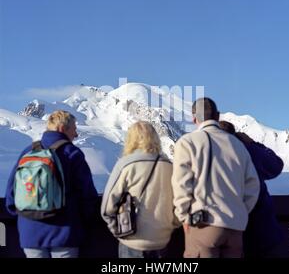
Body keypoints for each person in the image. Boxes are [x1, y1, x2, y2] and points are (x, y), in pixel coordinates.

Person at [172, 97, 260, 258]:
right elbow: (253, 185)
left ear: (194, 118)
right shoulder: (237, 145)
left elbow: (181, 185)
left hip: (203, 224)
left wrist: (184, 217)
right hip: (235, 228)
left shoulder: (187, 143)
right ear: (217, 116)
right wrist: (239, 211)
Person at [5, 110, 98, 258]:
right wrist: (81, 221)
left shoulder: (28, 152)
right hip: (64, 231)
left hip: (30, 232)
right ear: (62, 129)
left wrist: (25, 217)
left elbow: (11, 193)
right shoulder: (72, 153)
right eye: (74, 129)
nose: (76, 134)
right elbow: (87, 195)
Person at [101, 121, 180, 258]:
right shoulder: (169, 166)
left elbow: (108, 206)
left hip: (132, 240)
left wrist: (117, 229)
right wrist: (172, 225)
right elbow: (179, 202)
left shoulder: (126, 164)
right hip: (162, 241)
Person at [219, 120, 284, 257]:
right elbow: (276, 165)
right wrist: (253, 143)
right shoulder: (250, 150)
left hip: (223, 231)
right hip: (260, 229)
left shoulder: (209, 154)